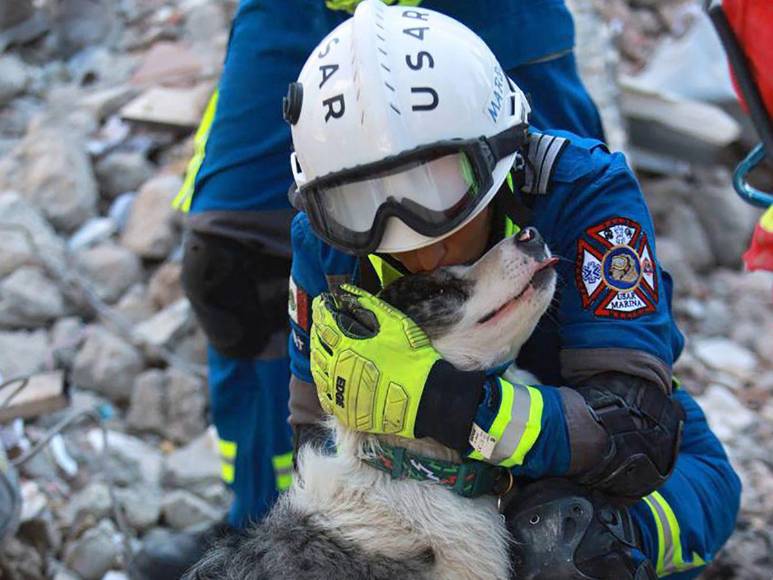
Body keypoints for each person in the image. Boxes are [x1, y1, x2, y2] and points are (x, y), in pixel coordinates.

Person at [131, 0, 608, 577]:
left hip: (478, 13)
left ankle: (539, 518)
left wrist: (451, 406)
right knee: (233, 265)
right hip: (303, 13)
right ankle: (269, 529)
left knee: (550, 250)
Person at [286, 2, 741, 578]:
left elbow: (637, 436)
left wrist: (451, 406)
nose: (420, 243)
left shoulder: (578, 190)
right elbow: (313, 434)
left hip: (631, 480)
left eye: (437, 184)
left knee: (561, 546)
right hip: (443, 488)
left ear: (499, 149)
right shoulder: (326, 242)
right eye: (362, 205)